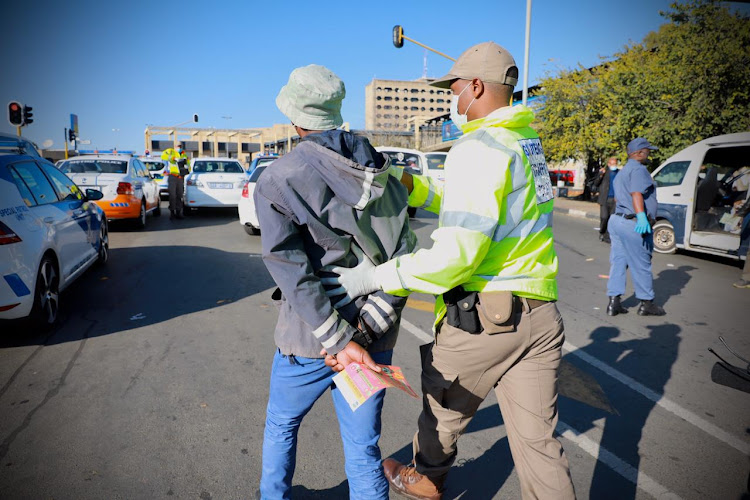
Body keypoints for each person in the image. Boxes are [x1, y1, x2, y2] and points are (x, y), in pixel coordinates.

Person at [323, 42, 575, 500]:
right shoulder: (525, 142)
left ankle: (426, 480)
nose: (450, 100)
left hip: (487, 316)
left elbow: (454, 258)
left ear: (476, 86)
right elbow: (473, 201)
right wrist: (406, 183)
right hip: (541, 316)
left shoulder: (477, 148)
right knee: (540, 445)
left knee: (441, 408)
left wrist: (375, 277)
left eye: (454, 89)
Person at [253, 64, 417, 500]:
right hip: (374, 338)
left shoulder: (277, 178)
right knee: (363, 449)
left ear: (295, 119)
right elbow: (405, 254)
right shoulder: (385, 172)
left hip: (310, 341)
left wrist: (340, 340)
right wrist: (365, 331)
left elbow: (290, 269)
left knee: (281, 425)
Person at [606, 138, 666, 316]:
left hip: (617, 220)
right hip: (633, 223)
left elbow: (618, 198)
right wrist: (641, 216)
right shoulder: (639, 170)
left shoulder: (623, 172)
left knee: (618, 262)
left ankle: (613, 303)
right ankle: (646, 303)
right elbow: (636, 194)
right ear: (639, 153)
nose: (649, 154)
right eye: (648, 150)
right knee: (641, 264)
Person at [594, 157, 620, 243]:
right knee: (604, 217)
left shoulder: (619, 173)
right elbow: (596, 183)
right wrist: (600, 175)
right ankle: (602, 231)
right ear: (608, 164)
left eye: (615, 164)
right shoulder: (604, 172)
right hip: (604, 199)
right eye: (612, 164)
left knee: (612, 218)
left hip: (615, 199)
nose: (614, 165)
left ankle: (607, 236)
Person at [160, 142, 188, 219]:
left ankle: (178, 212)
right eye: (178, 146)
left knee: (179, 195)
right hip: (172, 176)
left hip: (180, 177)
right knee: (172, 195)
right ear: (174, 146)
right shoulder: (170, 151)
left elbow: (187, 164)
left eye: (180, 146)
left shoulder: (183, 154)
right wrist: (172, 158)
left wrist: (186, 169)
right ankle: (172, 212)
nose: (179, 147)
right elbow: (163, 156)